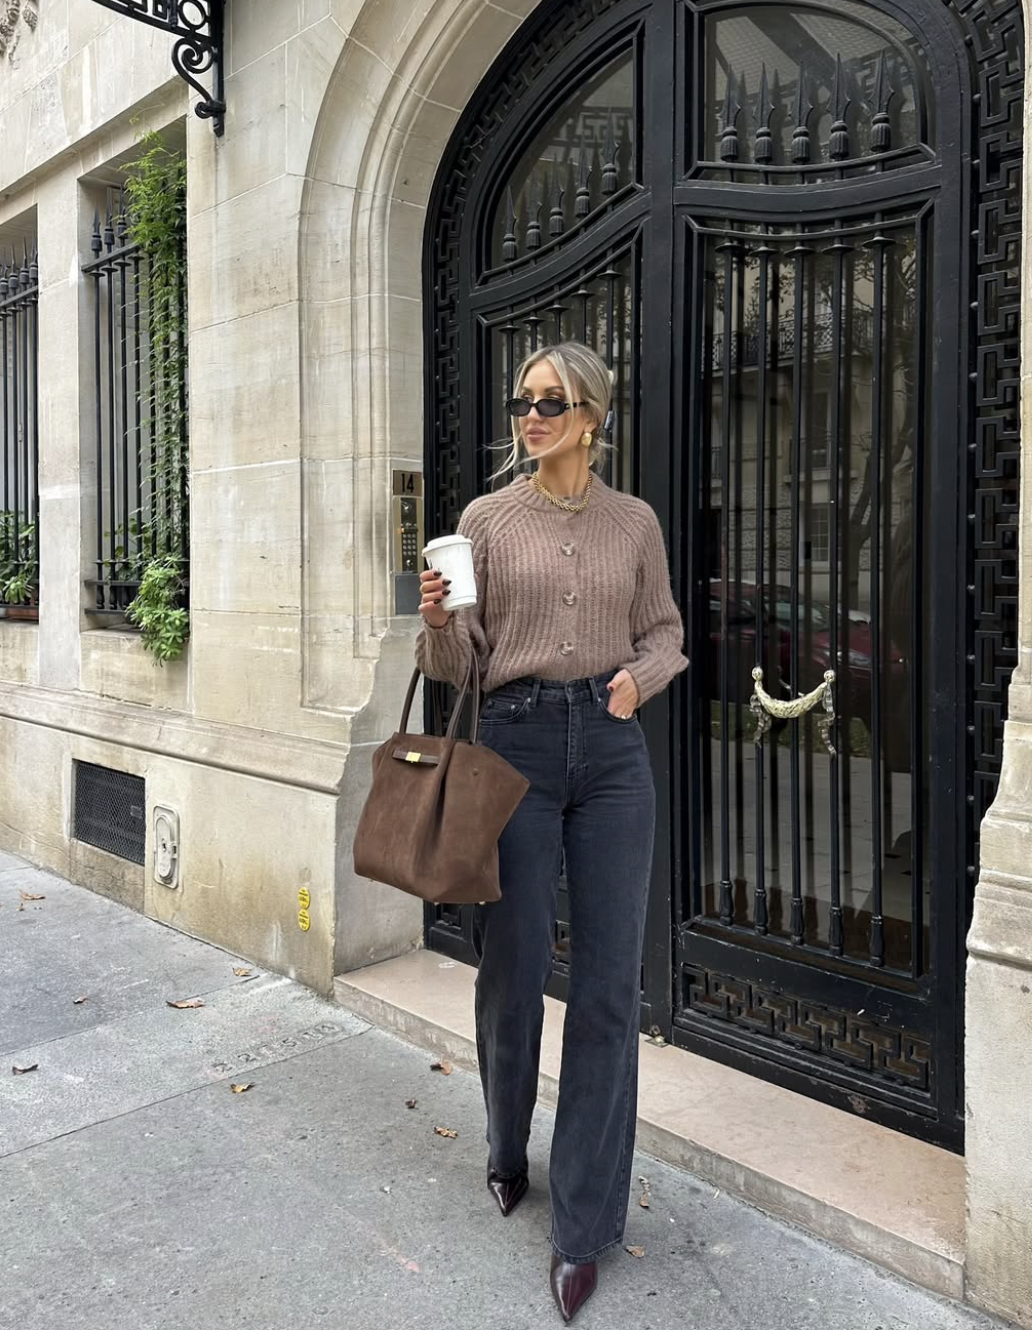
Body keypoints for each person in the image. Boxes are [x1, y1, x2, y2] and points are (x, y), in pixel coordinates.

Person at [415, 341, 687, 1324]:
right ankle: (502, 1144)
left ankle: (581, 1226)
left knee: (610, 984)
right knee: (515, 961)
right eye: (522, 401)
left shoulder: (635, 524)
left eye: (550, 401)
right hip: (514, 744)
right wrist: (439, 620)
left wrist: (639, 679)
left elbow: (665, 631)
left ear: (592, 416)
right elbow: (460, 666)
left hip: (613, 755)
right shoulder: (486, 520)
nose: (530, 416)